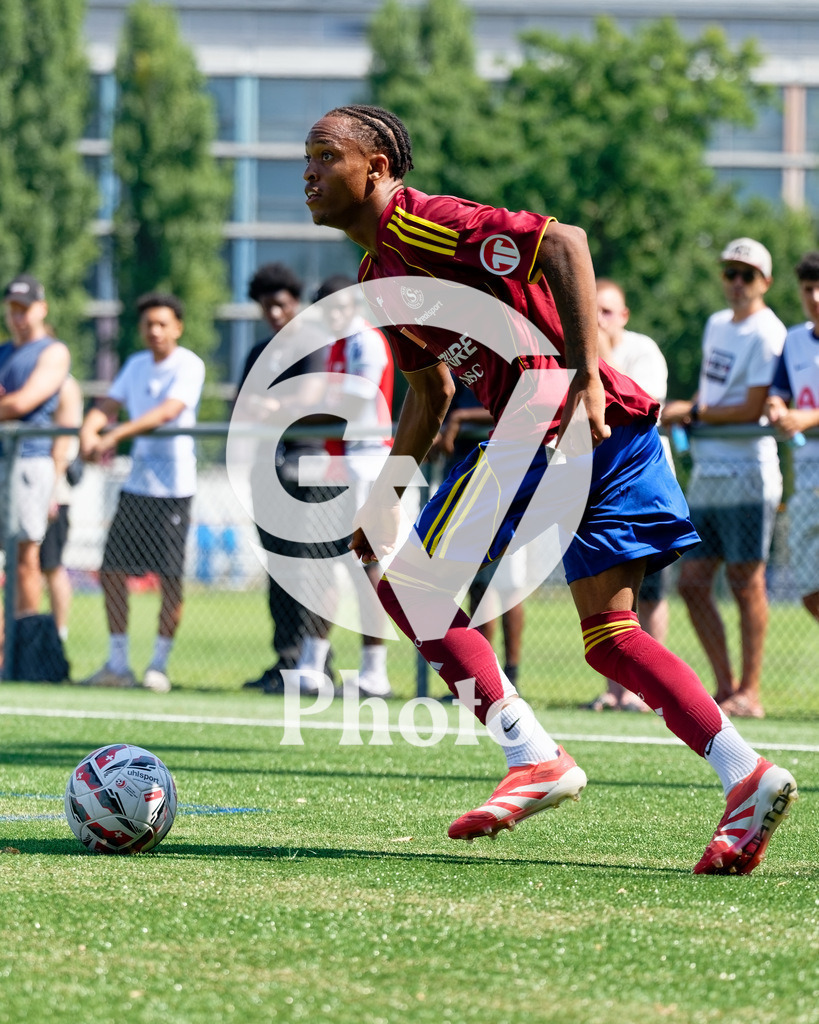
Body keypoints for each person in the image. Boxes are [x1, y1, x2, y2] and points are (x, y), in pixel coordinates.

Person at [300, 104, 798, 873]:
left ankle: (533, 754)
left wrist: (583, 376)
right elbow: (429, 395)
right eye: (306, 157)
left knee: (413, 583)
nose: (309, 172)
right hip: (614, 429)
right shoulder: (376, 280)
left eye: (326, 155)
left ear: (377, 168)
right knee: (612, 639)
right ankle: (746, 776)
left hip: (556, 409)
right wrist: (386, 491)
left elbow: (563, 242)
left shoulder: (418, 225)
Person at [663, 239, 786, 720]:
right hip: (709, 469)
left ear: (765, 283)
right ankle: (725, 685)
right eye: (730, 273)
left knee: (746, 581)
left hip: (748, 470)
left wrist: (692, 411)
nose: (736, 283)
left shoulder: (767, 331)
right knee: (693, 583)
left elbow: (753, 407)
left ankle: (751, 692)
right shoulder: (717, 324)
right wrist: (695, 409)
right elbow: (713, 391)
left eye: (747, 275)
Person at [79, 292, 205, 693]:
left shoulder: (190, 365)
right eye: (148, 324)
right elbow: (108, 404)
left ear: (177, 327)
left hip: (174, 489)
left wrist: (114, 433)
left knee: (170, 578)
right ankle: (118, 663)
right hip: (137, 487)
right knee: (112, 570)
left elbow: (168, 411)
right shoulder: (134, 365)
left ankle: (158, 666)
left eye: (162, 323)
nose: (154, 331)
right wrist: (89, 428)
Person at [239, 263, 337, 695]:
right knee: (277, 564)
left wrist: (272, 408)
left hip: (308, 463)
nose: (274, 313)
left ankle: (316, 660)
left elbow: (309, 399)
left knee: (308, 564)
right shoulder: (259, 351)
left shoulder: (312, 344)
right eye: (266, 306)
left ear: (294, 303)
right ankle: (284, 658)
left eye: (280, 304)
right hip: (267, 466)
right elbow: (242, 406)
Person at [300, 273, 396, 698]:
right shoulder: (338, 342)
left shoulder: (365, 341)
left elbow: (355, 402)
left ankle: (375, 669)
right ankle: (312, 662)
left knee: (366, 568)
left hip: (365, 460)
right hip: (340, 462)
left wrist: (300, 411)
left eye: (340, 305)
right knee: (324, 564)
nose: (334, 314)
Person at [584, 279, 670, 712]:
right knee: (606, 596)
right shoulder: (582, 348)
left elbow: (640, 405)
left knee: (649, 593)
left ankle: (646, 693)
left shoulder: (643, 350)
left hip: (642, 487)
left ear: (625, 316)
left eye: (607, 312)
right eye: (592, 310)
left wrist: (602, 351)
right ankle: (614, 690)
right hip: (599, 486)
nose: (598, 320)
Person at [433, 378, 527, 692]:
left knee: (505, 585)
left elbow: (517, 410)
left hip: (506, 479)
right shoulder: (459, 360)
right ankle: (485, 677)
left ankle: (508, 674)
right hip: (468, 480)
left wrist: (459, 419)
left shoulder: (508, 353)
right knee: (478, 586)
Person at [0, 275, 70, 669]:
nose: (19, 316)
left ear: (41, 308)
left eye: (25, 308)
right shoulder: (3, 352)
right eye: (13, 309)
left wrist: (9, 404)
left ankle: (23, 652)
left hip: (29, 460)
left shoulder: (53, 351)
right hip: (1, 457)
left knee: (27, 559)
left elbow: (24, 402)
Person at [765, 251, 819, 624]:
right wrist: (775, 406)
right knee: (810, 591)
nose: (815, 298)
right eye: (808, 289)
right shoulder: (795, 340)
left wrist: (808, 418)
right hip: (806, 476)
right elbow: (779, 390)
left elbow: (805, 414)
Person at [41, 373, 84, 642]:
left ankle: (58, 635)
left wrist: (50, 492)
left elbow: (62, 444)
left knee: (51, 565)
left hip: (53, 494)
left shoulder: (63, 383)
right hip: (24, 488)